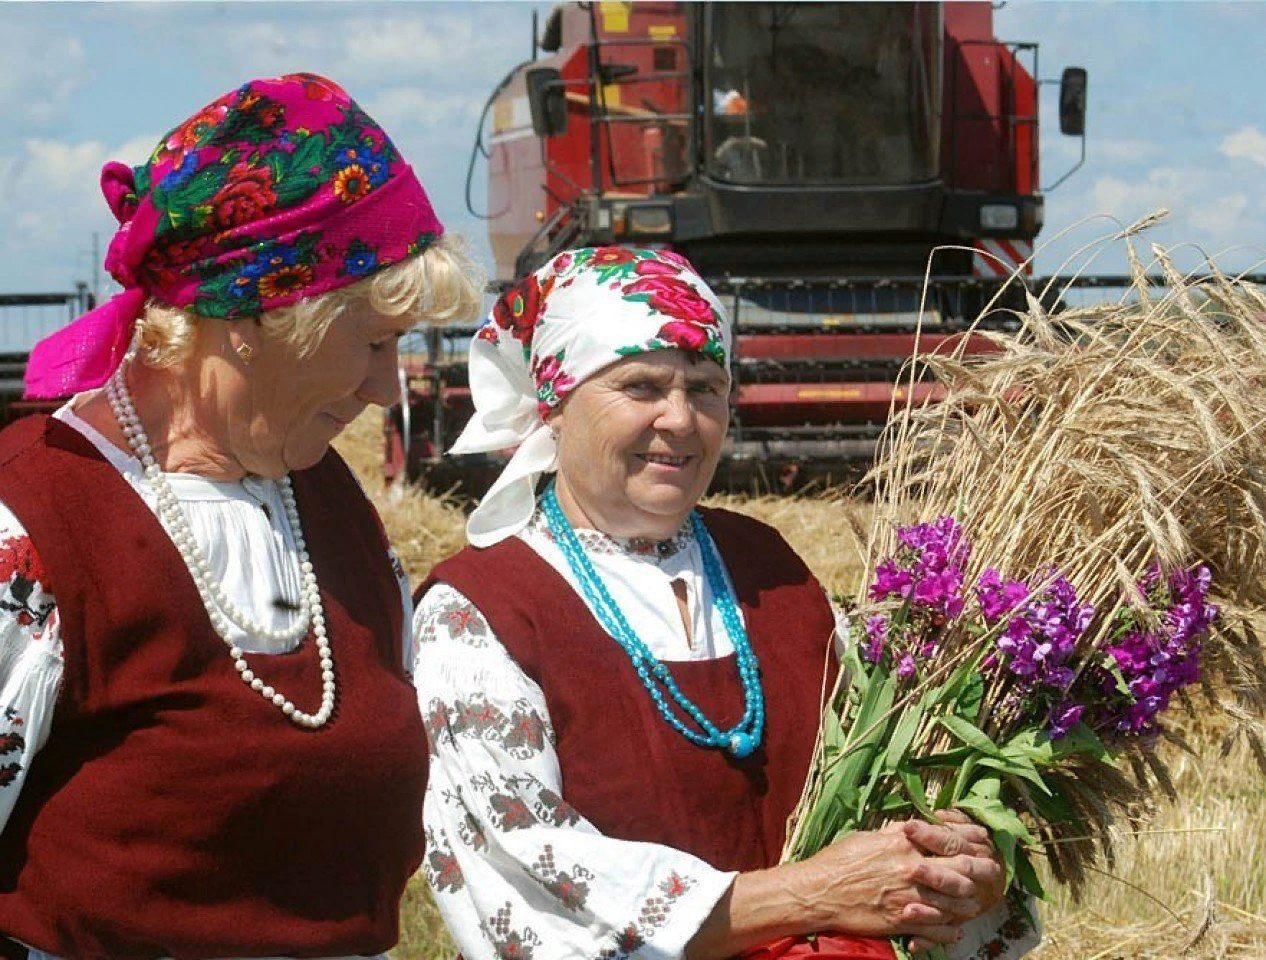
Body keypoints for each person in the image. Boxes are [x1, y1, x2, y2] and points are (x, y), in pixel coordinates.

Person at [413, 247, 1041, 959]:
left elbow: (888, 776)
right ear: (553, 408)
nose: (680, 419)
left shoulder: (766, 567)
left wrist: (952, 857)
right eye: (641, 386)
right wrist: (812, 894)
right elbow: (534, 876)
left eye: (706, 388)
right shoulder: (483, 610)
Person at [0, 74, 480, 960]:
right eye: (374, 341)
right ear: (257, 317)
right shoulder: (34, 522)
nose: (386, 386)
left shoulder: (324, 500)